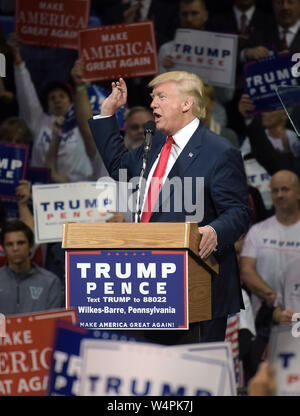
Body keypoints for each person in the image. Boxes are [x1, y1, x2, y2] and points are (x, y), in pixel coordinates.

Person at [88, 71, 250, 344]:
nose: (153, 105)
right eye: (152, 98)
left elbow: (239, 211)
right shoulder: (155, 144)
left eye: (161, 97)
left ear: (186, 104)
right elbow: (119, 168)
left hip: (198, 287)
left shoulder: (219, 151)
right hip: (153, 288)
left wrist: (214, 230)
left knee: (193, 382)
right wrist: (107, 113)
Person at [7, 33, 105, 183]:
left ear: (72, 101)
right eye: (52, 98)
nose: (57, 100)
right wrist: (18, 59)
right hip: (42, 189)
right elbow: (27, 95)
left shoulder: (80, 123)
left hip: (79, 189)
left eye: (62, 96)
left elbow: (86, 100)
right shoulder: (39, 122)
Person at [240, 170, 300, 372]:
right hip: (266, 321)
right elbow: (247, 271)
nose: (280, 195)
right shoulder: (258, 231)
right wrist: (274, 300)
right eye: (275, 190)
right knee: (264, 383)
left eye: (285, 189)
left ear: (298, 192)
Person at [0, 220, 62, 315]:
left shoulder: (51, 282)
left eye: (21, 243)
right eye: (10, 244)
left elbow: (53, 325)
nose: (15, 248)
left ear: (30, 246)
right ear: (3, 248)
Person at [238, 93, 300, 181]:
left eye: (270, 109)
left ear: (284, 114)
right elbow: (273, 163)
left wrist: (287, 148)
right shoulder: (256, 138)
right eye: (264, 109)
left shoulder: (292, 136)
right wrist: (250, 117)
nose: (264, 114)